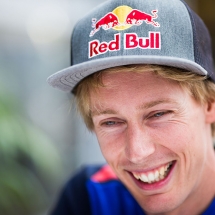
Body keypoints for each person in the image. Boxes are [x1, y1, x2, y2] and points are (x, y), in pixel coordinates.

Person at [47, 0, 215, 214]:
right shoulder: (89, 198)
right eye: (111, 122)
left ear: (209, 105)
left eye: (158, 114)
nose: (137, 153)